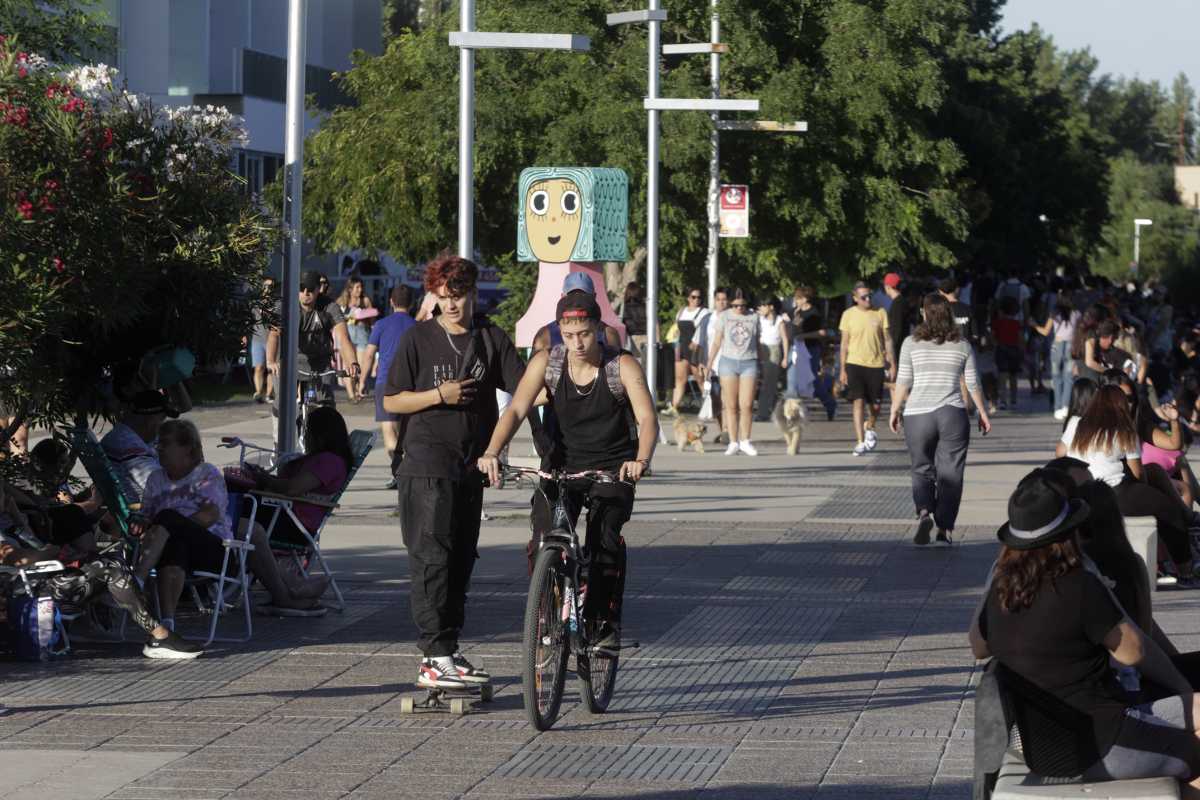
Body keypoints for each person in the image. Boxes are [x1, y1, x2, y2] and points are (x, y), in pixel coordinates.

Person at [969, 470, 1200, 793]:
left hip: (1045, 751)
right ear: (1067, 534)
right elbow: (1132, 652)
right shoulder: (1077, 586)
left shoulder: (1002, 591)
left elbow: (978, 646)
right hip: (1100, 744)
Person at [477, 291, 658, 652]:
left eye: (585, 334)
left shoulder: (621, 366)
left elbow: (647, 417)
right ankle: (548, 606)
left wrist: (641, 459)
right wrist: (492, 451)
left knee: (604, 539)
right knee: (542, 536)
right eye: (568, 333)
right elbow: (515, 410)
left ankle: (603, 625)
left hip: (613, 467)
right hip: (562, 464)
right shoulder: (548, 362)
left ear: (599, 328)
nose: (576, 343)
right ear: (559, 330)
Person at [382, 254, 525, 691]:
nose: (451, 306)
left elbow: (524, 390)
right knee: (432, 558)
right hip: (425, 463)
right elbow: (392, 401)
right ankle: (432, 655)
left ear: (472, 294)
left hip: (468, 466)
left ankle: (449, 648)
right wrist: (437, 394)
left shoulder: (489, 338)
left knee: (461, 558)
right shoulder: (417, 339)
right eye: (443, 298)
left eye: (458, 296)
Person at [1058, 385, 1196, 586]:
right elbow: (1138, 473)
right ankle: (1186, 572)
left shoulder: (1075, 424)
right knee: (1169, 512)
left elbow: (1061, 452)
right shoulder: (1124, 429)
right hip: (1115, 491)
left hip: (1082, 490)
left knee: (1154, 481)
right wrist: (1148, 494)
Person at [0, 528, 201, 660]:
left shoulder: (12, 522)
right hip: (26, 592)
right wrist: (50, 552)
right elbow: (16, 559)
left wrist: (15, 514)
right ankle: (158, 635)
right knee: (111, 569)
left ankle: (153, 629)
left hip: (42, 580)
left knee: (112, 562)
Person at [891, 293, 991, 546]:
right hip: (952, 414)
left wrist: (894, 410)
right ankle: (944, 529)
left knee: (921, 468)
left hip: (918, 414)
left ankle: (924, 512)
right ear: (950, 314)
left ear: (924, 313)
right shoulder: (962, 344)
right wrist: (982, 412)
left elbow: (903, 381)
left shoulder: (910, 343)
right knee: (951, 472)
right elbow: (972, 382)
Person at [265, 269, 361, 411]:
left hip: (320, 363)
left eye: (310, 289)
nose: (305, 293)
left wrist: (352, 362)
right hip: (290, 362)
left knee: (325, 407)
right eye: (301, 289)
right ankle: (278, 429)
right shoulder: (285, 307)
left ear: (319, 289)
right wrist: (271, 361)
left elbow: (343, 337)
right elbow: (274, 335)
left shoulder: (330, 307)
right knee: (283, 405)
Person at [360, 286, 417, 490]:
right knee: (406, 432)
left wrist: (361, 382)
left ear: (391, 302)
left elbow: (368, 355)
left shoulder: (381, 325)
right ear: (412, 303)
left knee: (389, 432)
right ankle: (407, 472)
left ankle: (399, 472)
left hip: (386, 383)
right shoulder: (417, 326)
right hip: (412, 385)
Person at [838, 281, 893, 457]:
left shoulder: (880, 313)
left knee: (876, 405)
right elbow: (844, 344)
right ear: (855, 299)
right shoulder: (848, 315)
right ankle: (860, 441)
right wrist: (842, 369)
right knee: (858, 401)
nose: (868, 299)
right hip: (854, 363)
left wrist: (892, 362)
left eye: (869, 295)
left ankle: (870, 425)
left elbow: (888, 340)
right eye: (863, 297)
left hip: (876, 364)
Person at [705, 288, 762, 456]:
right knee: (730, 405)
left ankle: (745, 441)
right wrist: (709, 364)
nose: (739, 309)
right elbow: (716, 342)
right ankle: (733, 441)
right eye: (736, 305)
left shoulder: (754, 317)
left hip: (749, 362)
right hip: (728, 362)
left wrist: (762, 362)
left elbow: (757, 342)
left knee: (747, 405)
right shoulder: (724, 317)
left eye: (742, 306)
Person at [101, 389, 174, 503]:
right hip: (146, 512)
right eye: (162, 419)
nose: (162, 425)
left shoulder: (119, 436)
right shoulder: (129, 448)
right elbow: (162, 490)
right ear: (150, 419)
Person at [790, 286, 836, 420]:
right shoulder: (796, 312)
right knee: (795, 379)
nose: (796, 301)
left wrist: (804, 336)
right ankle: (796, 410)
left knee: (812, 379)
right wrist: (795, 319)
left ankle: (829, 403)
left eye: (798, 298)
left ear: (804, 299)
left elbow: (822, 333)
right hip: (797, 348)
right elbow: (794, 329)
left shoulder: (814, 313)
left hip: (810, 349)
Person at [663, 288, 709, 418]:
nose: (696, 300)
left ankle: (707, 406)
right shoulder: (681, 312)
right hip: (682, 348)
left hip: (696, 348)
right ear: (688, 298)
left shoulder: (704, 312)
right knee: (680, 379)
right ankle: (674, 406)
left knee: (700, 379)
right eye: (693, 297)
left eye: (699, 297)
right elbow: (676, 330)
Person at [1032, 295, 1077, 420]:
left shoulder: (1054, 314)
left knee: (1056, 378)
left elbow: (1046, 332)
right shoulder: (1076, 314)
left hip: (1057, 345)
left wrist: (1034, 325)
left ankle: (1057, 408)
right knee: (1069, 378)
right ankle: (1066, 406)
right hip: (1071, 346)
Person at [336, 275, 376, 403]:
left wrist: (366, 317)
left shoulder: (365, 301)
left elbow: (372, 318)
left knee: (360, 367)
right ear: (350, 289)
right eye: (357, 287)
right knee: (349, 365)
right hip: (347, 334)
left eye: (361, 287)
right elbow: (334, 317)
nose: (360, 289)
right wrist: (347, 318)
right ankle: (351, 394)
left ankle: (359, 387)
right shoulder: (342, 301)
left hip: (362, 334)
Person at [754, 297, 789, 422]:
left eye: (763, 305)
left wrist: (785, 357)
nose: (761, 308)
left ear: (771, 307)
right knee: (765, 384)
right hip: (760, 350)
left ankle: (762, 413)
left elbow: (784, 339)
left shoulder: (780, 321)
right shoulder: (758, 320)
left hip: (774, 351)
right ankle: (778, 410)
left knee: (768, 384)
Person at [248, 276, 277, 404]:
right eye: (266, 286)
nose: (268, 289)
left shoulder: (277, 303)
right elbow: (248, 320)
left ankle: (269, 394)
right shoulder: (255, 303)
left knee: (271, 368)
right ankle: (259, 392)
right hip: (257, 339)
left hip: (272, 339)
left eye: (271, 286)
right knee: (259, 367)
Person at [992, 295, 1023, 410]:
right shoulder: (1016, 323)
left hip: (1002, 349)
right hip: (1014, 349)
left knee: (1002, 376)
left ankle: (1003, 401)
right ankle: (1014, 399)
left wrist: (995, 345)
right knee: (1013, 376)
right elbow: (1020, 338)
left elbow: (993, 337)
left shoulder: (997, 322)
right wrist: (1022, 350)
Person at [883, 272, 915, 367]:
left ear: (888, 286)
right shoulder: (901, 302)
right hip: (901, 347)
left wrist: (891, 352)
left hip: (898, 350)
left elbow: (896, 330)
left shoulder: (898, 304)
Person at [620, 281, 648, 361]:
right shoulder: (646, 306)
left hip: (631, 340)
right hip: (647, 338)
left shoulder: (624, 307)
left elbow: (621, 323)